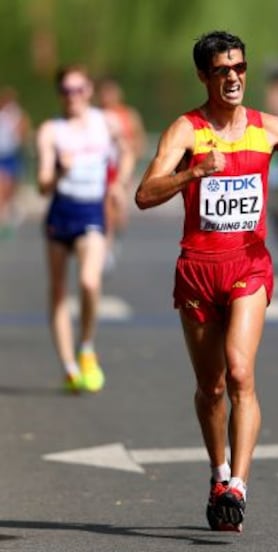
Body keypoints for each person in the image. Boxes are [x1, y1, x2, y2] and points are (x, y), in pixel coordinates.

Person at [135, 31, 278, 532]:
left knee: (241, 372)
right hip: (198, 270)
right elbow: (143, 194)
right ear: (204, 75)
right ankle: (217, 472)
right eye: (222, 70)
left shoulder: (269, 128)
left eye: (240, 68)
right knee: (212, 386)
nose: (233, 78)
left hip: (248, 267)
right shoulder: (186, 130)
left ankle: (238, 487)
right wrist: (193, 173)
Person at [36, 65, 133, 393]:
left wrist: (119, 182)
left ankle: (86, 347)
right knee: (59, 291)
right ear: (59, 95)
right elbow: (42, 186)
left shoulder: (105, 122)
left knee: (89, 282)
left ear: (89, 90)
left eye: (78, 89)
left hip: (92, 209)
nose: (72, 96)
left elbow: (128, 151)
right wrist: (60, 170)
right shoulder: (51, 130)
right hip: (61, 212)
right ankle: (68, 366)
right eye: (66, 91)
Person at [96, 76, 147, 271]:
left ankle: (114, 235)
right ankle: (105, 247)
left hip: (123, 167)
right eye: (105, 93)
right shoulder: (96, 115)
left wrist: (132, 153)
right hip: (102, 167)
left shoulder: (128, 115)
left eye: (111, 92)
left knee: (119, 209)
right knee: (106, 206)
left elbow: (138, 138)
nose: (108, 97)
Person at [0, 86, 31, 237]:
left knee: (11, 187)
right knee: (2, 186)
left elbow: (23, 131)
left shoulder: (17, 115)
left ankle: (8, 211)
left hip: (12, 154)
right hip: (1, 156)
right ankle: (2, 218)